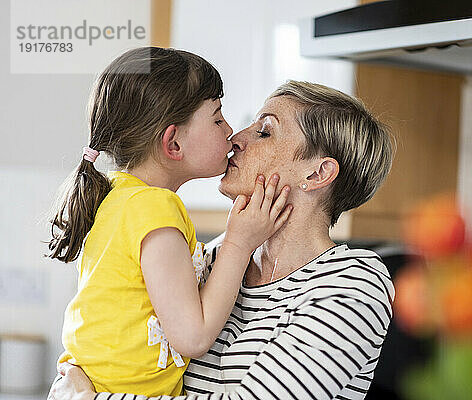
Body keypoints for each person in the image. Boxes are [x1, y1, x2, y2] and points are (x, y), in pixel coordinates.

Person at [49, 80, 396, 400]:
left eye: (264, 131)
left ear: (317, 173)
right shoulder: (213, 261)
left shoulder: (351, 285)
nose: (235, 138)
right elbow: (113, 347)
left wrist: (89, 398)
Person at [46, 47, 292, 397]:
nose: (232, 131)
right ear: (173, 143)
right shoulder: (155, 208)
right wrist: (240, 242)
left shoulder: (120, 196)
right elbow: (193, 337)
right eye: (218, 118)